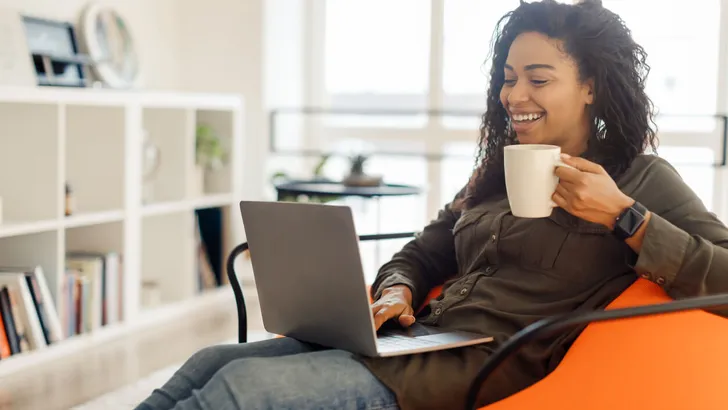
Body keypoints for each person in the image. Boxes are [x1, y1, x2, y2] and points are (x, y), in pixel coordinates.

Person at [136, 1, 728, 409]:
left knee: (242, 393)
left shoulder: (639, 179)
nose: (513, 95)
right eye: (507, 76)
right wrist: (395, 289)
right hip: (420, 339)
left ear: (591, 87)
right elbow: (424, 251)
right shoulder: (498, 170)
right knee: (212, 361)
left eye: (538, 78)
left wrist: (624, 217)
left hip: (476, 371)